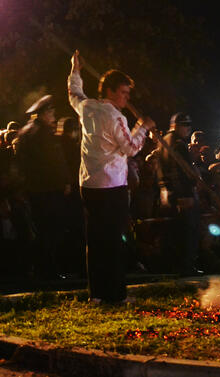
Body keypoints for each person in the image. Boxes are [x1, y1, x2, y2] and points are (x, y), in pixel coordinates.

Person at [68, 50, 156, 303]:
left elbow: (74, 93)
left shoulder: (87, 108)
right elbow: (130, 148)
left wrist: (75, 70)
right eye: (124, 92)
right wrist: (144, 128)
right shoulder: (115, 116)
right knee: (114, 242)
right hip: (111, 187)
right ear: (110, 91)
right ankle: (115, 294)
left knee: (96, 241)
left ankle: (97, 294)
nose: (127, 98)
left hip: (89, 184)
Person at [16, 94, 71, 279]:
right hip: (49, 188)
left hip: (34, 188)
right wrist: (64, 181)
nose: (53, 114)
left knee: (41, 229)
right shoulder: (45, 134)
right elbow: (55, 161)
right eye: (51, 111)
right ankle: (48, 271)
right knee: (52, 228)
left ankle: (40, 269)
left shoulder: (25, 132)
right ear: (43, 113)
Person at [158, 112, 201, 275]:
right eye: (185, 125)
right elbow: (178, 172)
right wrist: (186, 194)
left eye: (189, 125)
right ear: (177, 125)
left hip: (169, 194)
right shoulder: (177, 144)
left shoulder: (164, 141)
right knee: (188, 231)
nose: (188, 129)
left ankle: (178, 266)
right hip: (182, 195)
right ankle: (186, 267)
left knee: (176, 232)